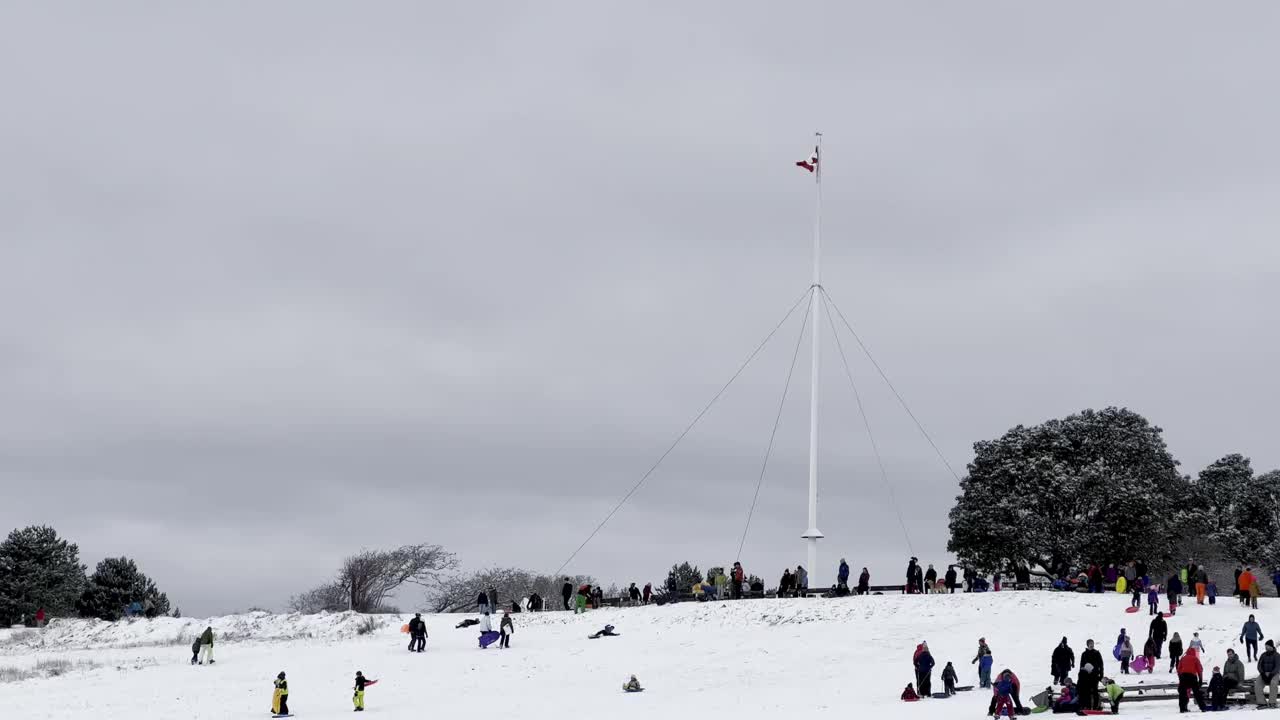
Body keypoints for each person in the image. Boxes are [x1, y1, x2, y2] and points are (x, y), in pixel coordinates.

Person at [1178, 647, 1207, 713]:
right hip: (1192, 677)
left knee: (1182, 693)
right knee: (1197, 693)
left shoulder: (1182, 658)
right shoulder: (1195, 659)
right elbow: (1200, 670)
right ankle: (1203, 708)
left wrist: (1180, 678)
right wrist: (1200, 679)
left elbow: (1179, 669)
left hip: (1183, 677)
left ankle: (1182, 708)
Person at [1257, 640, 1280, 709]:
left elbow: (1278, 666)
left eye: (1267, 646)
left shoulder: (1277, 655)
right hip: (1264, 673)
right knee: (1257, 684)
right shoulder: (1263, 655)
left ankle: (1272, 702)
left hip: (1274, 673)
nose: (1266, 647)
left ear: (1271, 646)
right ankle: (1262, 703)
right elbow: (1259, 665)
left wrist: (1271, 674)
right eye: (1265, 646)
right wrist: (1262, 673)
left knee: (1273, 684)